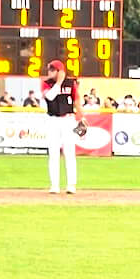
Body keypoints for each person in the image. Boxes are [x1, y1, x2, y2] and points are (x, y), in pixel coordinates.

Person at [41, 59, 86, 195]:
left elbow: (77, 101)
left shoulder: (70, 83)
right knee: (53, 153)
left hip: (68, 119)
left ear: (60, 71)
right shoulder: (46, 83)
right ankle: (54, 185)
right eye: (50, 69)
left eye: (53, 70)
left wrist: (81, 117)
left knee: (69, 152)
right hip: (53, 120)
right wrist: (58, 83)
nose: (49, 72)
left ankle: (71, 185)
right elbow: (49, 96)